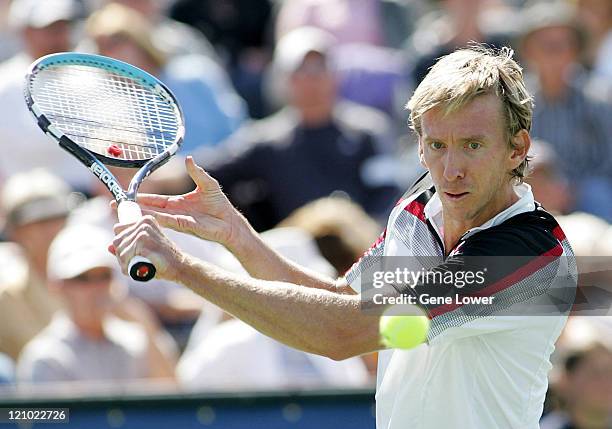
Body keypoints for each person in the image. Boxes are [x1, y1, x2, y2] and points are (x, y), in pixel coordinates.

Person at [111, 46, 577, 428]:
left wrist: (184, 268)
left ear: (518, 147)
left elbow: (343, 333)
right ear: (419, 144)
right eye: (437, 145)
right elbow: (336, 299)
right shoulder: (417, 211)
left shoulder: (528, 256)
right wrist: (237, 234)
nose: (451, 169)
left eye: (473, 145)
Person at [199, 27, 400, 231]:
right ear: (284, 79)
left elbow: (386, 194)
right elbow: (213, 169)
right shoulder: (266, 141)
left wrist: (365, 242)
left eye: (319, 67)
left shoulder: (368, 131)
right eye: (301, 69)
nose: (311, 78)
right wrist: (173, 171)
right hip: (292, 253)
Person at [17, 223, 176, 385]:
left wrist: (142, 321)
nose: (96, 288)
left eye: (104, 276)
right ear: (57, 286)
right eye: (82, 279)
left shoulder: (136, 341)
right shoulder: (45, 357)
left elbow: (172, 396)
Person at [0, 0, 92, 191]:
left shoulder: (92, 77)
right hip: (28, 203)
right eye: (49, 29)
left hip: (92, 197)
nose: (58, 36)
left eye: (63, 27)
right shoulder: (5, 84)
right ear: (25, 32)